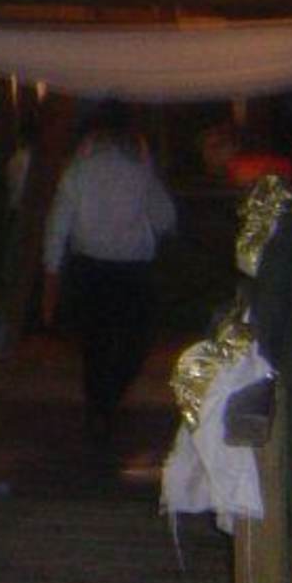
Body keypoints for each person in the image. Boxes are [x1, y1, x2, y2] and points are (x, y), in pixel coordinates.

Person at [43, 102, 176, 442]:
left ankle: (99, 405)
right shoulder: (139, 171)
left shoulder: (78, 171)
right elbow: (165, 217)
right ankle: (108, 399)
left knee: (96, 342)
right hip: (132, 269)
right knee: (134, 340)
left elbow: (58, 225)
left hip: (90, 267)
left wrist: (52, 274)